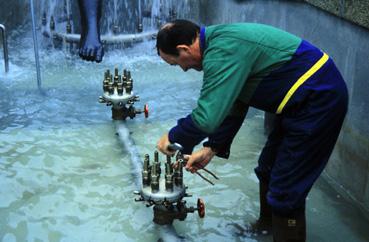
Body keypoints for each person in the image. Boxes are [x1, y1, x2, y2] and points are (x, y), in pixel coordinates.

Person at [156, 19, 348, 242]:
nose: (184, 69)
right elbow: (235, 102)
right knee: (268, 168)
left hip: (318, 100)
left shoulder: (223, 51)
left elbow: (206, 118)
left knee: (285, 191)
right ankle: (266, 230)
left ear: (183, 49)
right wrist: (211, 148)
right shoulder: (219, 44)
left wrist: (173, 137)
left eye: (176, 63)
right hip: (299, 105)